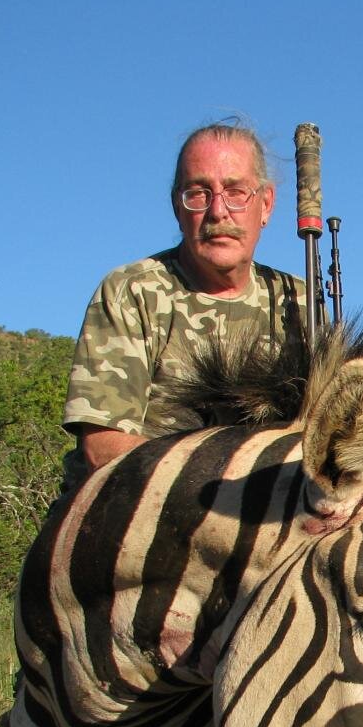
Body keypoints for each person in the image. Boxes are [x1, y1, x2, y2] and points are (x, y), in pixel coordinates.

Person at [60, 122, 307, 489]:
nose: (218, 211)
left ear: (266, 204)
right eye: (199, 193)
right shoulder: (133, 290)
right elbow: (102, 445)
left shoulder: (298, 301)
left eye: (237, 192)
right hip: (140, 508)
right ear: (178, 205)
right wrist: (224, 488)